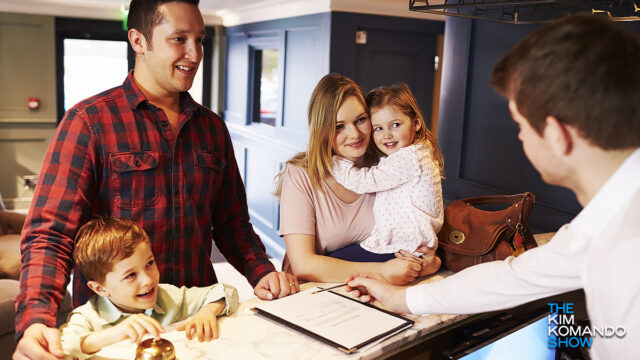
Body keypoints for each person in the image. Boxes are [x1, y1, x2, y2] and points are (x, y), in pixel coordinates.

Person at [13, 1, 297, 359]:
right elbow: (51, 234)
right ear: (138, 41)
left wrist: (260, 272)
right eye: (179, 38)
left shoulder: (212, 128)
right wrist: (37, 316)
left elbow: (232, 222)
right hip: (116, 335)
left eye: (200, 40)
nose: (194, 54)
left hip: (200, 325)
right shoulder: (87, 122)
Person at [346, 15, 640, 359]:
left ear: (557, 136)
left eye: (520, 125)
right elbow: (515, 278)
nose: (519, 137)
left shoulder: (627, 250)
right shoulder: (603, 225)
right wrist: (400, 299)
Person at [275, 73, 441, 286]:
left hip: (374, 289)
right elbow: (303, 265)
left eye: (360, 120)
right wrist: (382, 271)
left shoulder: (386, 164)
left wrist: (426, 263)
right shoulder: (300, 175)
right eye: (339, 126)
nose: (354, 134)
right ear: (322, 131)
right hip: (316, 291)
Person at [59, 217, 239, 360]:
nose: (148, 280)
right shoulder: (87, 318)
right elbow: (64, 348)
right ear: (100, 289)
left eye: (149, 263)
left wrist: (207, 312)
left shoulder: (168, 296)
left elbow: (225, 292)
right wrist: (115, 333)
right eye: (130, 275)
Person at [329, 83, 444, 273]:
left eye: (395, 125)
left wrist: (333, 161)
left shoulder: (409, 158)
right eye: (378, 128)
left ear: (416, 123)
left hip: (402, 246)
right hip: (407, 244)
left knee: (332, 262)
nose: (387, 134)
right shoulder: (416, 153)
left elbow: (362, 181)